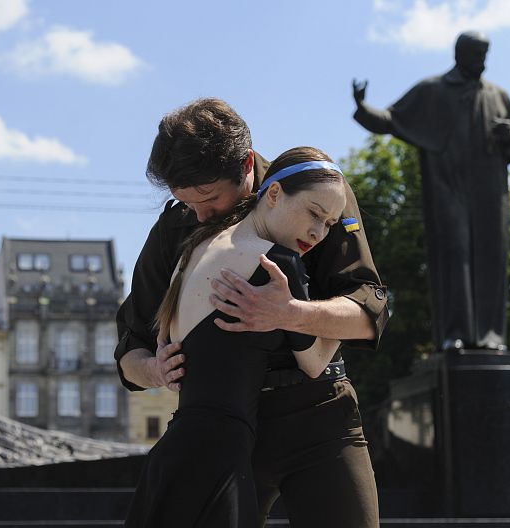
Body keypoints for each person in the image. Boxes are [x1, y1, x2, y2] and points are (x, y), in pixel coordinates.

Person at [116, 98, 387, 527]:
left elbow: (367, 310)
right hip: (225, 425)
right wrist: (155, 370)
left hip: (318, 413)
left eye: (208, 198)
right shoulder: (174, 226)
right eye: (187, 203)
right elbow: (129, 352)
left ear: (247, 167)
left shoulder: (316, 188)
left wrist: (291, 313)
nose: (200, 215)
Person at [352, 31, 510, 352]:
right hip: (448, 188)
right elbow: (392, 119)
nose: (482, 63)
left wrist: (509, 136)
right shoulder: (434, 90)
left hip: (490, 194)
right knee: (454, 256)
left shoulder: (497, 95)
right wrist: (362, 107)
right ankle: (454, 333)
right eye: (477, 56)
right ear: (460, 55)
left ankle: (491, 336)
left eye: (485, 56)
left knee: (490, 258)